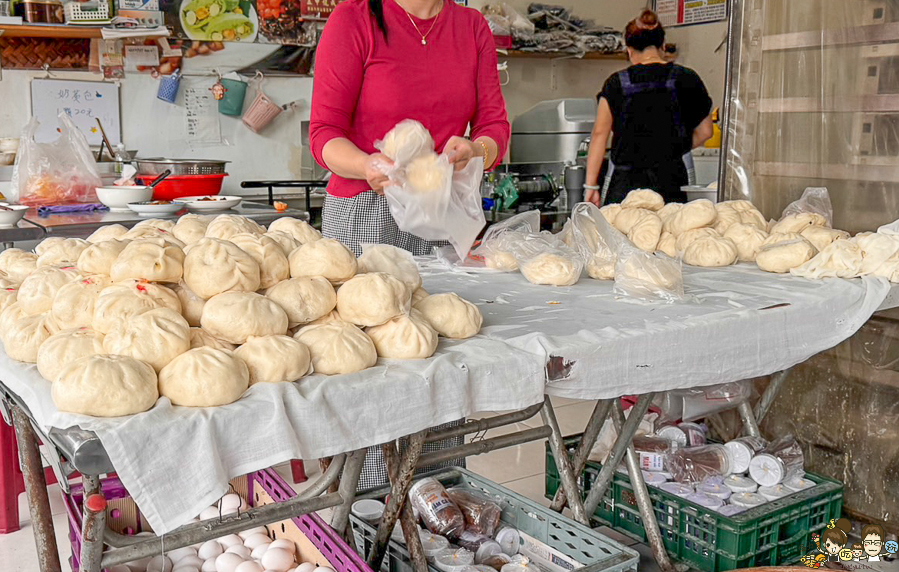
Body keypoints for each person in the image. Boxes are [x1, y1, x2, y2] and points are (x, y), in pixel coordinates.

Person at [309, 0, 510, 489]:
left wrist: (474, 151)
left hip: (440, 217)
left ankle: (436, 505)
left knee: (439, 359)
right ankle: (365, 507)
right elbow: (324, 133)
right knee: (369, 366)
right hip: (365, 212)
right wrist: (367, 165)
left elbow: (494, 126)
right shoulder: (354, 20)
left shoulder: (471, 27)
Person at [585, 9, 713, 206]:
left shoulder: (616, 83)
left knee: (619, 234)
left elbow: (599, 135)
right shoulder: (687, 78)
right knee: (671, 233)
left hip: (625, 185)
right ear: (662, 46)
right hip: (671, 181)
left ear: (629, 50)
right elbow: (705, 132)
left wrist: (591, 187)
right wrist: (674, 147)